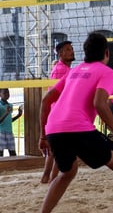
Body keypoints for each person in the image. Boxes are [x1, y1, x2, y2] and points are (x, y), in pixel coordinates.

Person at [38, 32, 113, 213]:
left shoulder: (74, 71)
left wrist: (43, 136)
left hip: (54, 129)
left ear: (85, 52)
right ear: (107, 53)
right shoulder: (107, 72)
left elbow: (45, 101)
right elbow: (99, 103)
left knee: (68, 172)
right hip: (77, 128)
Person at [41, 40, 75, 184]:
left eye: (72, 49)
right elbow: (55, 94)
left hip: (61, 112)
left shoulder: (66, 68)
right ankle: (49, 178)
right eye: (68, 49)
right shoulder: (60, 69)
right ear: (60, 54)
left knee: (56, 150)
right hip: (58, 113)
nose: (72, 51)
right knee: (57, 149)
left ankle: (48, 178)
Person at [0, 88, 23, 157]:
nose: (7, 95)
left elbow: (9, 120)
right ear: (0, 94)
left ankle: (15, 168)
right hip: (1, 132)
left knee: (13, 153)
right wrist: (6, 113)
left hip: (9, 132)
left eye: (8, 93)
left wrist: (19, 115)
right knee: (0, 154)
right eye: (5, 93)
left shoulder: (10, 105)